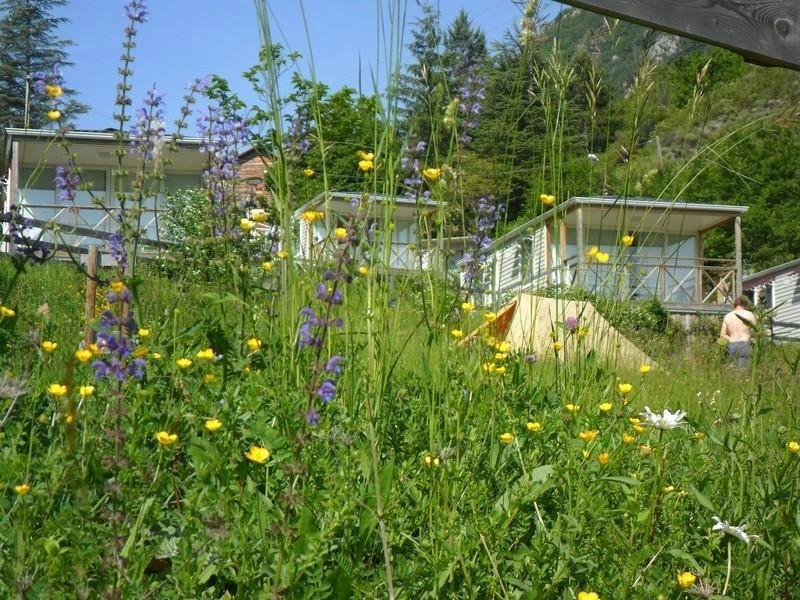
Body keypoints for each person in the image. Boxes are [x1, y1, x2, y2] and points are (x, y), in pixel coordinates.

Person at [720, 296, 757, 367]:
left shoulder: (728, 316)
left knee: (734, 368)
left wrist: (730, 339)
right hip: (745, 343)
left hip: (732, 344)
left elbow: (722, 335)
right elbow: (756, 330)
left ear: (734, 305)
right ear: (745, 304)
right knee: (744, 368)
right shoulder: (749, 314)